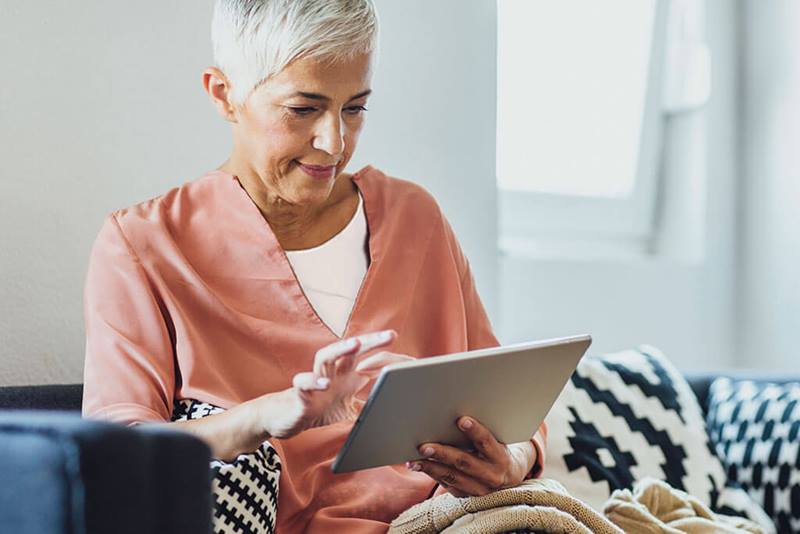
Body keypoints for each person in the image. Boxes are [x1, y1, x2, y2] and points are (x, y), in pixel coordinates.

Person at [82, 0, 546, 532]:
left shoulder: (416, 217)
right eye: (303, 109)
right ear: (224, 94)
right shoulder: (144, 245)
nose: (335, 142)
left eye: (355, 108)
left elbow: (509, 399)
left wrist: (515, 456)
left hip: (454, 518)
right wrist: (263, 416)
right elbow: (111, 452)